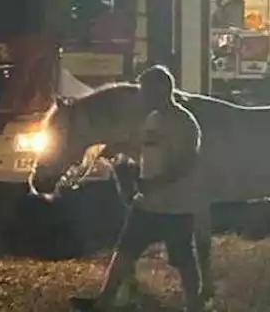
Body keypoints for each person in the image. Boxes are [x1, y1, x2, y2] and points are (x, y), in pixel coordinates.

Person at [72, 65, 204, 311]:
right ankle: (104, 303)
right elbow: (142, 146)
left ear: (163, 90)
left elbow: (187, 163)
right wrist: (117, 149)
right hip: (147, 204)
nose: (142, 97)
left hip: (176, 207)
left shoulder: (185, 123)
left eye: (147, 91)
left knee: (183, 260)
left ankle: (195, 305)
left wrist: (157, 183)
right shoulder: (151, 119)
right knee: (125, 251)